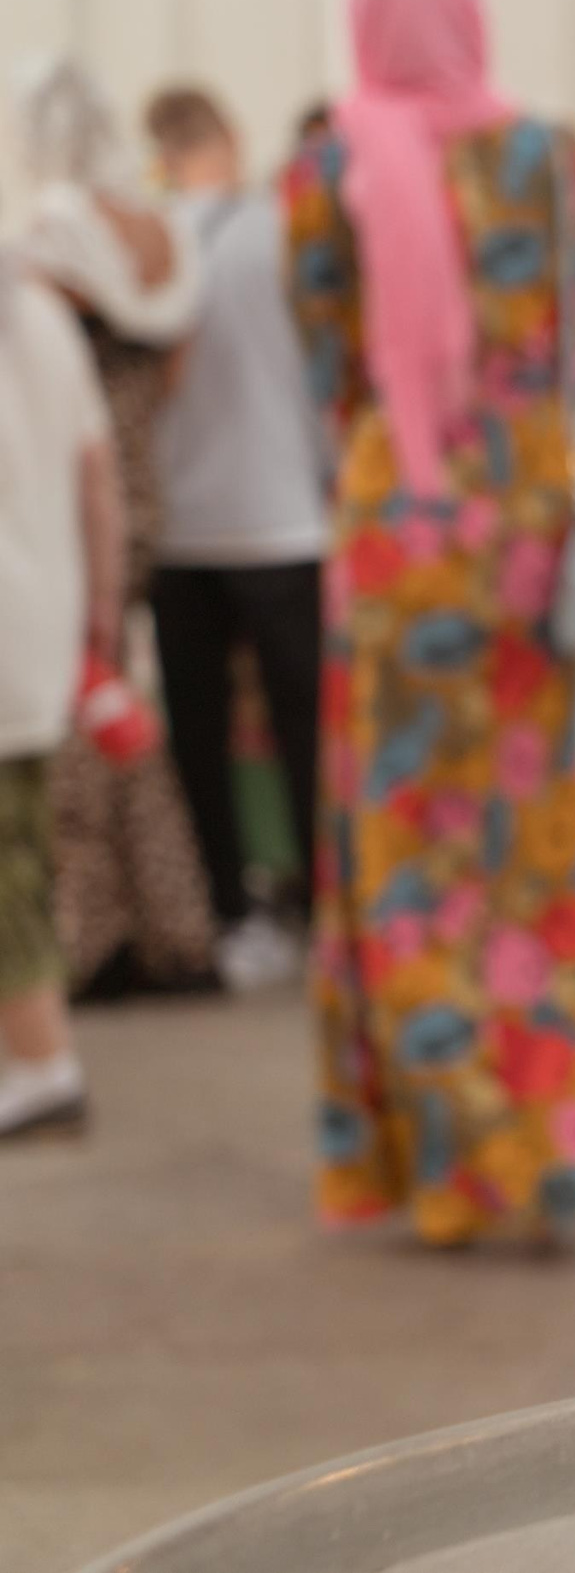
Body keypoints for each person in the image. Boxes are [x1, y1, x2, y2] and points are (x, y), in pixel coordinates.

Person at [285, 0, 575, 1244]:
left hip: (398, 533)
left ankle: (450, 1167)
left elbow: (326, 360)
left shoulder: (330, 161)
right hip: (521, 529)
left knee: (401, 853)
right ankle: (561, 1141)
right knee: (524, 844)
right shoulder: (549, 160)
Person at [13, 56, 222, 999]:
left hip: (74, 502)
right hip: (145, 484)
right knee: (123, 710)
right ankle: (174, 925)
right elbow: (177, 366)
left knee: (77, 721)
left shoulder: (58, 235)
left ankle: (92, 935)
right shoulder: (164, 232)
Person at [141, 84, 331, 991]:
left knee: (199, 736)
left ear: (161, 151)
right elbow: (323, 373)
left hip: (181, 526)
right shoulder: (284, 232)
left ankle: (227, 911)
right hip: (285, 515)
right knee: (307, 731)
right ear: (232, 134)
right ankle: (330, 913)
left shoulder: (146, 243)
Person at [0, 250, 125, 1139]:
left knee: (9, 861)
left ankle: (41, 1061)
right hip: (44, 621)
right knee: (24, 847)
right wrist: (103, 618)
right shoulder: (42, 312)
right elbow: (99, 478)